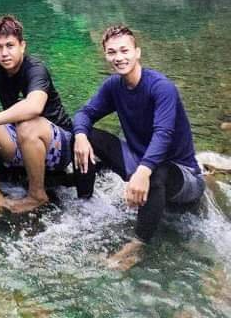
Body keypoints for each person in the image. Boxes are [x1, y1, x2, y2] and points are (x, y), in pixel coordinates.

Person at [73, 24, 205, 270]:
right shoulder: (114, 86)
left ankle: (137, 246)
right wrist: (80, 135)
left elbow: (163, 134)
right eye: (112, 52)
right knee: (85, 136)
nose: (119, 58)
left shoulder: (161, 87)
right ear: (106, 55)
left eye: (124, 50)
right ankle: (84, 203)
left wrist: (143, 171)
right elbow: (84, 113)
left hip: (183, 175)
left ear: (137, 52)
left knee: (157, 172)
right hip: (139, 160)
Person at [0, 14, 72, 218]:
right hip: (20, 141)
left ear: (22, 45)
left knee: (28, 124)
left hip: (57, 145)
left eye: (10, 45)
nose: (4, 53)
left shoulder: (35, 69)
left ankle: (37, 194)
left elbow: (34, 107)